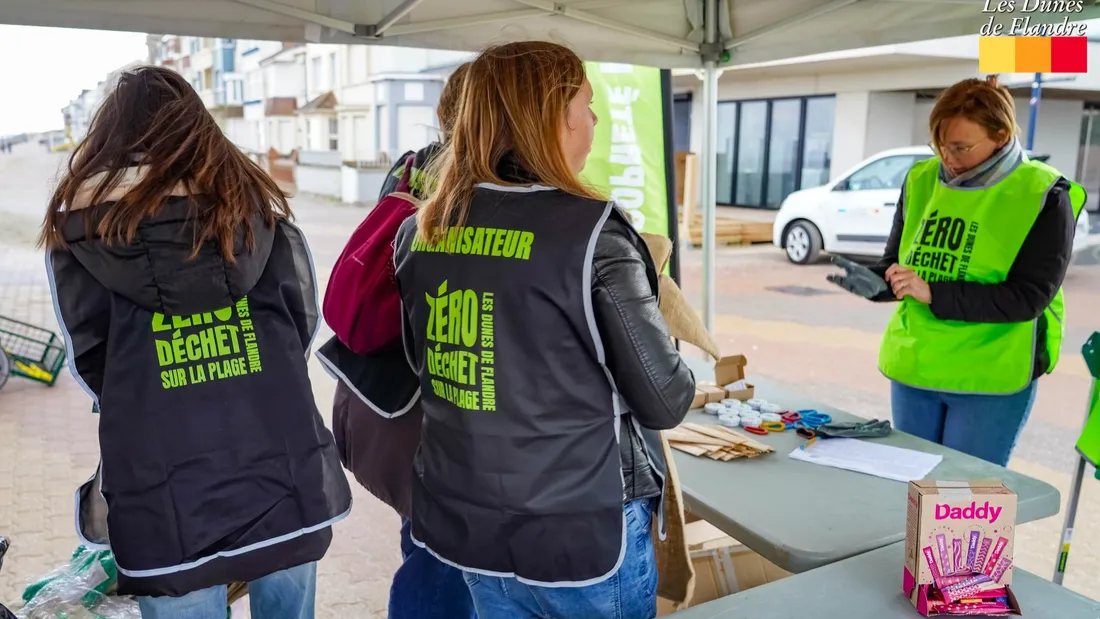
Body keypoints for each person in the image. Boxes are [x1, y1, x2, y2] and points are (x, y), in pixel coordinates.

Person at [392, 41, 695, 619]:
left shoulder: (421, 231)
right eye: (586, 104)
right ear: (553, 118)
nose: (596, 120)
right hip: (578, 534)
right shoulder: (593, 233)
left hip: (467, 523)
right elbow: (666, 398)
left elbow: (424, 364)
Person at [40, 66, 352, 619]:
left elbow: (92, 365)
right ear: (201, 130)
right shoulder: (263, 218)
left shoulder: (81, 240)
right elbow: (298, 331)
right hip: (281, 468)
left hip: (164, 491)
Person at [317, 62, 476, 619]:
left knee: (426, 543)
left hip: (389, 402)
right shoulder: (478, 186)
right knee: (446, 567)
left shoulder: (412, 167)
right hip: (440, 414)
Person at [871, 75, 1085, 466]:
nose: (948, 159)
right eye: (939, 145)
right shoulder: (921, 179)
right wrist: (874, 280)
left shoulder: (1044, 193)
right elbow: (896, 264)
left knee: (965, 504)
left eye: (960, 147)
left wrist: (933, 292)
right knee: (909, 491)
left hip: (989, 377)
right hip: (916, 365)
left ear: (1001, 136)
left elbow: (1027, 298)